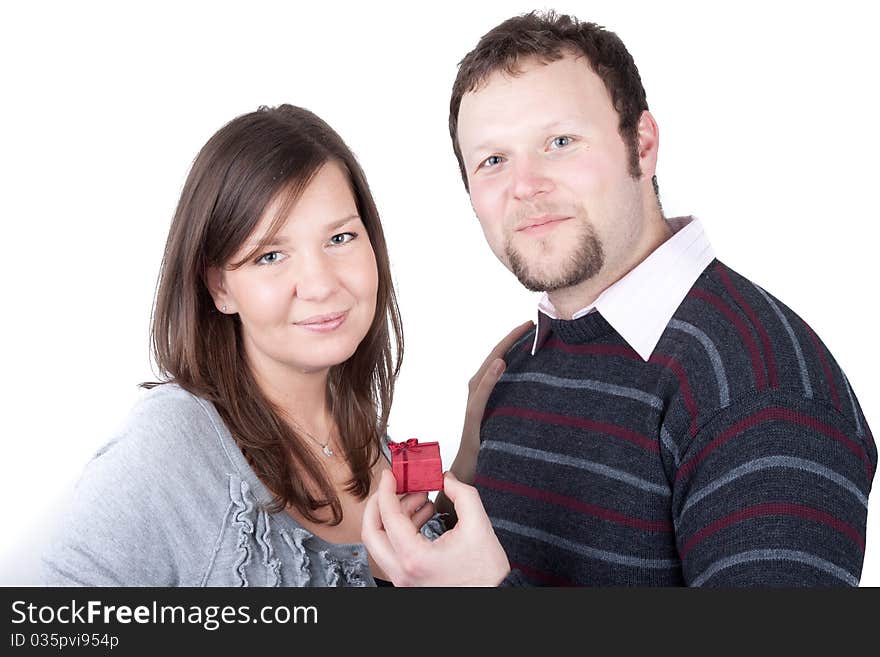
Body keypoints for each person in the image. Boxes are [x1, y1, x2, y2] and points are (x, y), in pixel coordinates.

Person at [362, 11, 877, 586]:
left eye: (560, 142)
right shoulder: (519, 371)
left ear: (643, 145)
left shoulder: (759, 388)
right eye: (493, 160)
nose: (525, 185)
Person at [40, 104, 476, 586]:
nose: (319, 283)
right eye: (271, 255)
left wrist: (475, 456)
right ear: (220, 287)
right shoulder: (171, 448)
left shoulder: (377, 446)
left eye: (340, 238)